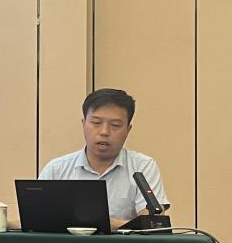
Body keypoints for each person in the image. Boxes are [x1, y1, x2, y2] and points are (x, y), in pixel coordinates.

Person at [38, 88, 169, 230]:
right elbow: (37, 219)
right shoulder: (57, 169)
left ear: (128, 130)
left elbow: (151, 223)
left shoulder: (142, 167)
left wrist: (92, 222)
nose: (104, 132)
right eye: (96, 123)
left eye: (115, 125)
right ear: (83, 124)